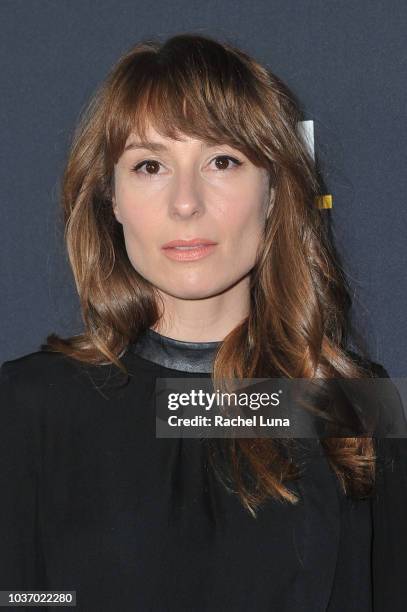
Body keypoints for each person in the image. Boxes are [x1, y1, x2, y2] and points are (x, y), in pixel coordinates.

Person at [1, 32, 406, 612]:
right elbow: (23, 597)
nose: (185, 202)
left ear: (274, 193)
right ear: (110, 199)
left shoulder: (355, 406)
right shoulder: (26, 407)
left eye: (222, 160)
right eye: (149, 166)